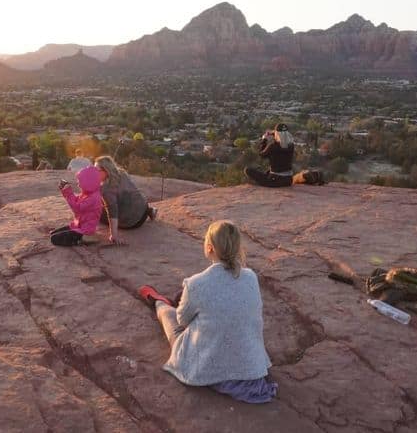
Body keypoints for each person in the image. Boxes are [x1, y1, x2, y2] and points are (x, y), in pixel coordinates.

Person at [138, 220, 277, 403]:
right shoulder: (251, 277)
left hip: (210, 365)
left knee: (171, 317)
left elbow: (182, 321)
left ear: (210, 248)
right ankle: (177, 301)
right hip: (251, 365)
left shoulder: (196, 283)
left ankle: (159, 303)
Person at [94, 155, 157, 245]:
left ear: (106, 170)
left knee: (98, 212)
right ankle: (150, 211)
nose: (94, 173)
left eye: (96, 170)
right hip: (143, 210)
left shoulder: (107, 189)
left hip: (131, 223)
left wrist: (114, 236)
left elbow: (112, 212)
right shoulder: (122, 173)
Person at [50, 165, 103, 246]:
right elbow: (75, 201)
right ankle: (81, 238)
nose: (78, 185)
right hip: (78, 225)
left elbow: (77, 208)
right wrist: (65, 191)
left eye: (80, 182)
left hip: (85, 229)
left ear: (88, 182)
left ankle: (83, 239)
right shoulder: (87, 194)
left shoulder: (94, 198)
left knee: (54, 239)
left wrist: (68, 193)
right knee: (53, 234)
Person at [244, 122, 294, 188]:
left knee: (247, 170)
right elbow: (281, 137)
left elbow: (261, 154)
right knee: (268, 171)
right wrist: (272, 133)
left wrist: (264, 140)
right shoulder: (291, 145)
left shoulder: (273, 146)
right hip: (288, 180)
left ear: (276, 134)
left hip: (275, 180)